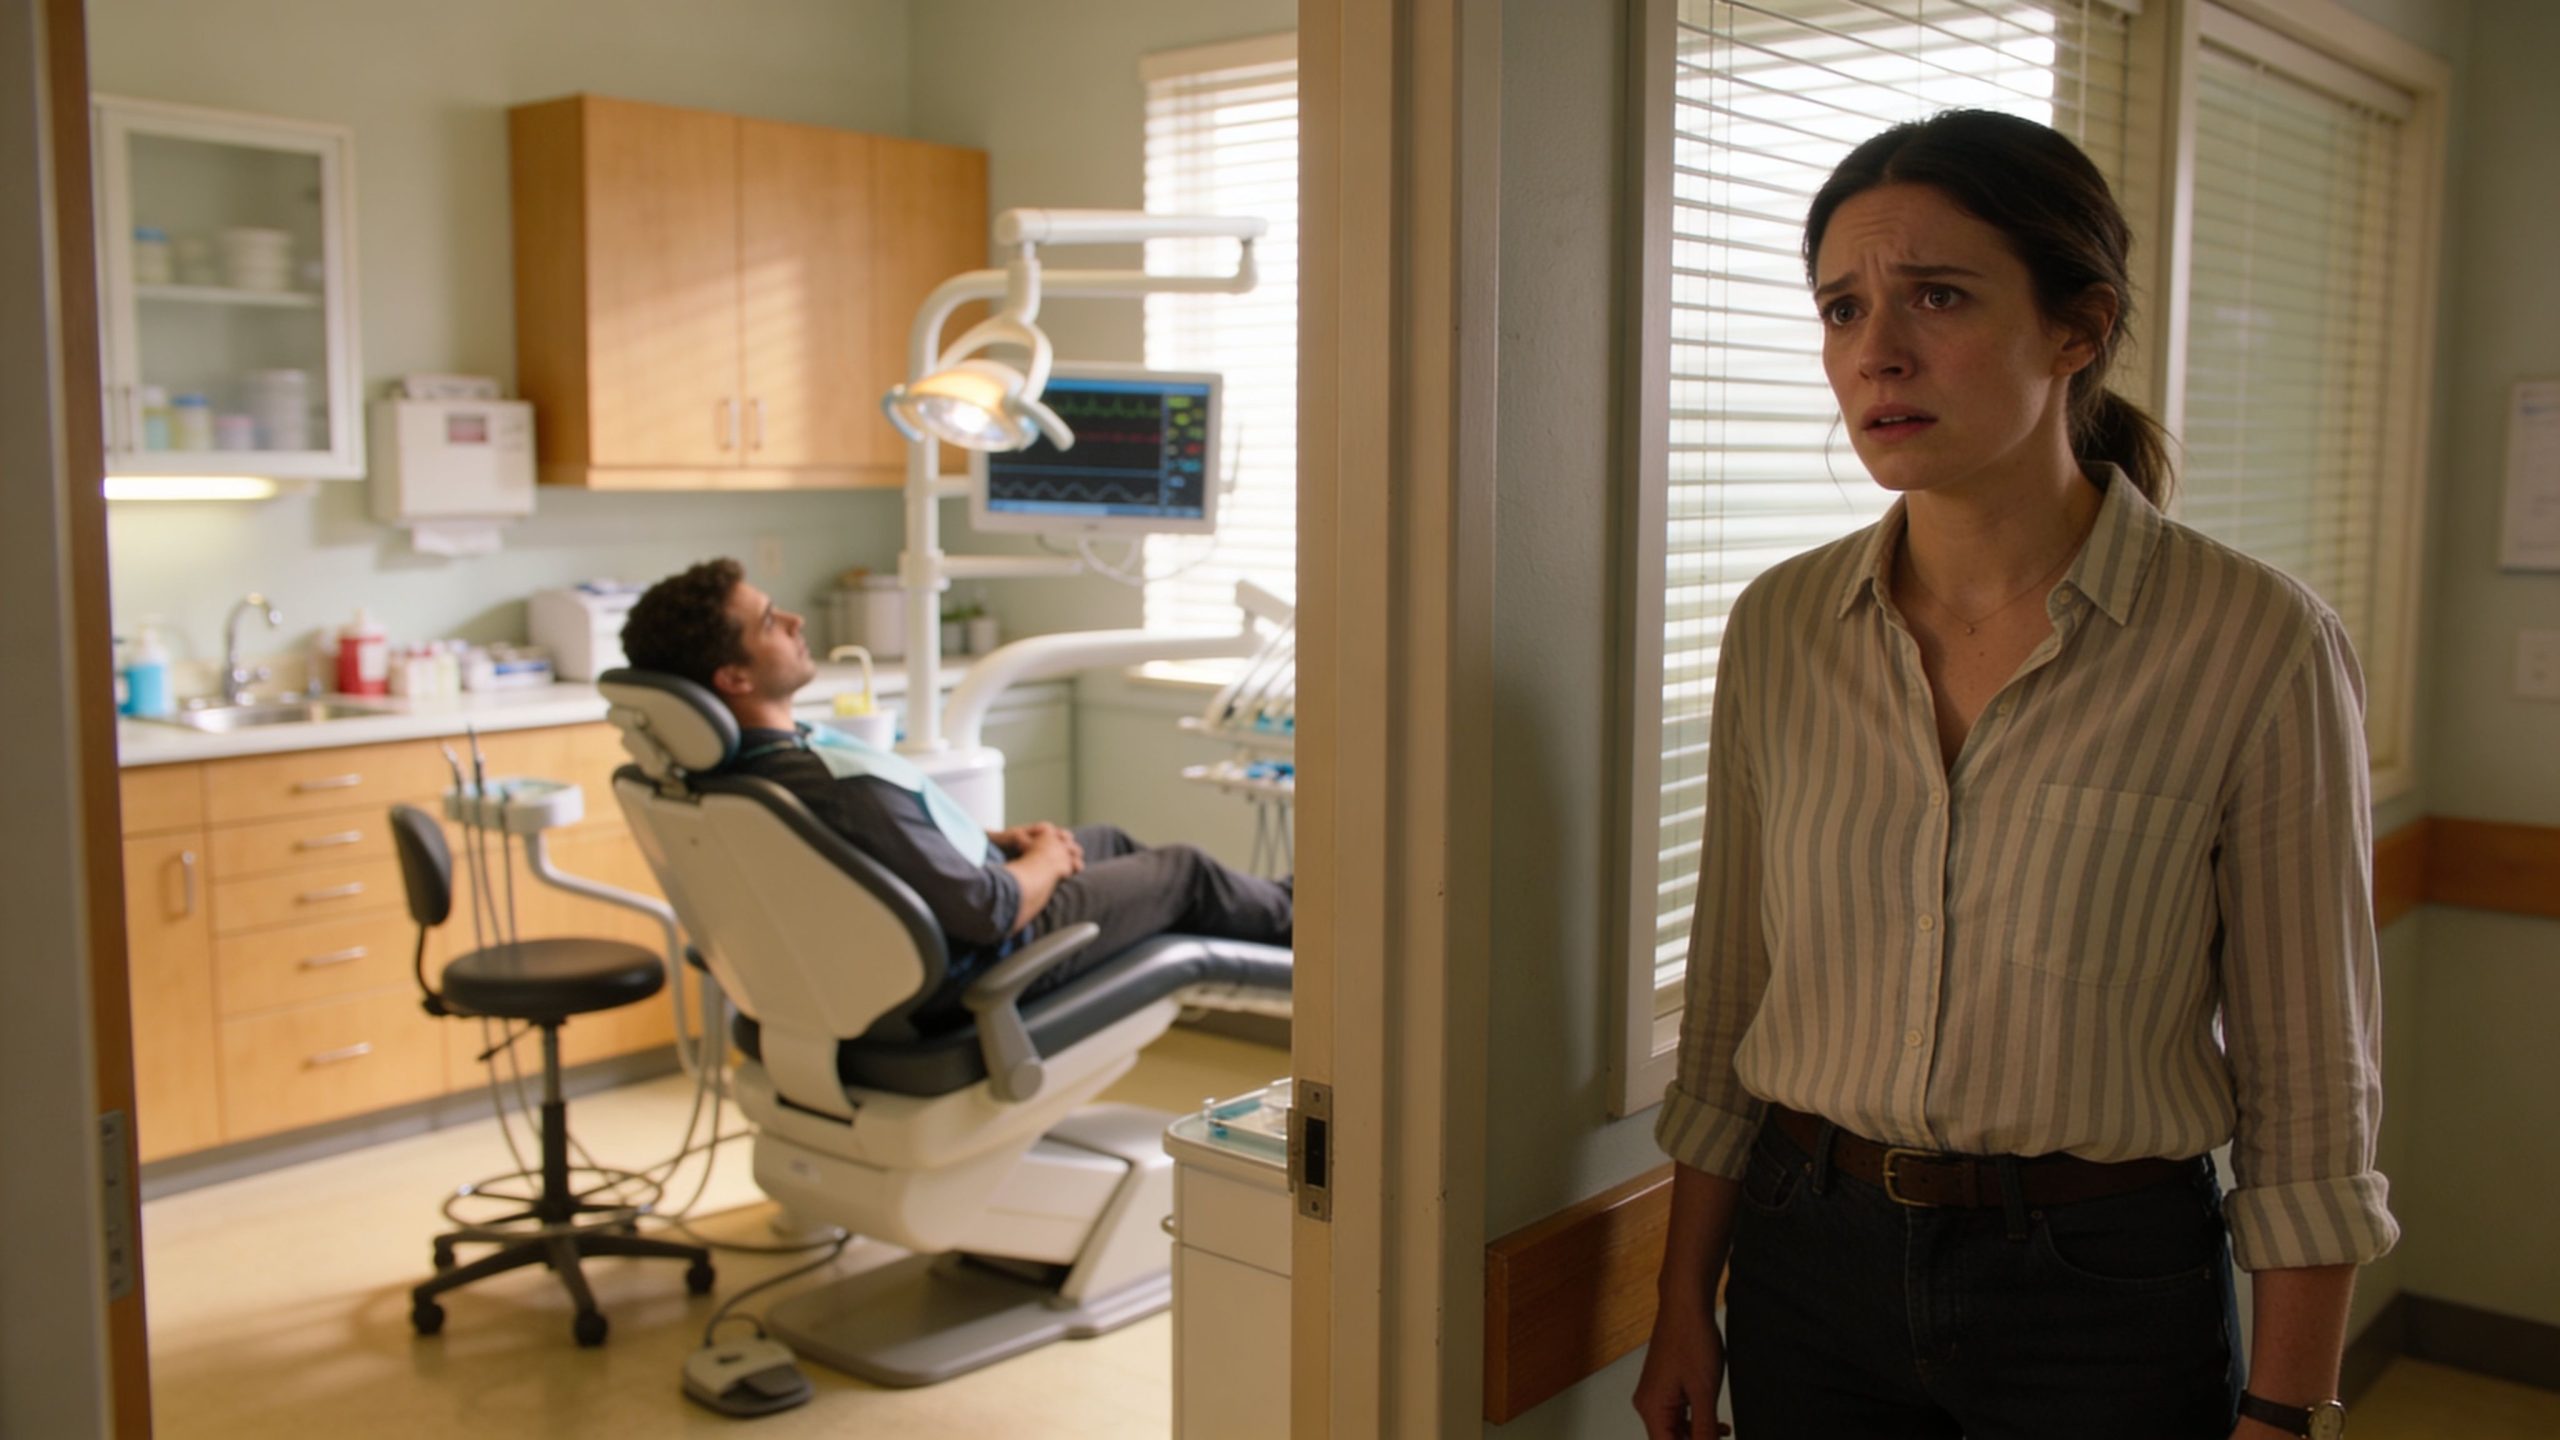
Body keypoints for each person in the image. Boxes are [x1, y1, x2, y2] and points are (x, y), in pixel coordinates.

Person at [1632, 110, 2393, 1440]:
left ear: (2076, 329)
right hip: (1808, 1263)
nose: (1876, 351)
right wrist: (1682, 1296)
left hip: (2099, 1292)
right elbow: (1732, 1004)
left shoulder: (2251, 643)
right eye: (1842, 308)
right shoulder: (1780, 629)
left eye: (1937, 296)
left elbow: (2310, 1077)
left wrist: (2286, 1410)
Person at [618, 558, 1291, 1029]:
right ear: (734, 677)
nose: (794, 620)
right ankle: (1312, 929)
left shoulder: (749, 772)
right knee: (1182, 873)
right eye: (769, 621)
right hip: (974, 963)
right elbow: (986, 909)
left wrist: (996, 841)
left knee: (1109, 841)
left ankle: (1289, 913)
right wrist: (1043, 861)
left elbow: (868, 854)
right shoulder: (829, 784)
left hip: (924, 938)